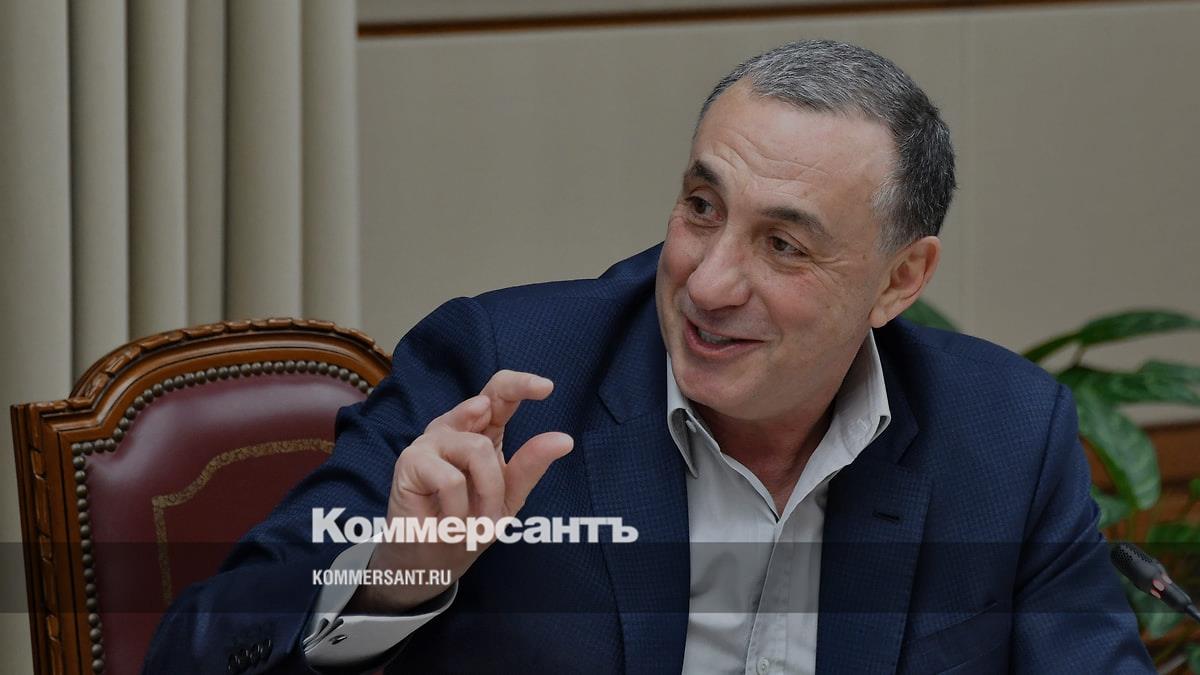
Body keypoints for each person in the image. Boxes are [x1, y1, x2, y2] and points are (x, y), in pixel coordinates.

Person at [144, 39, 1152, 674]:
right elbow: (196, 654)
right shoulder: (505, 375)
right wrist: (390, 580)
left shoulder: (1005, 434)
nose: (709, 283)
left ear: (900, 280)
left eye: (783, 245)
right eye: (702, 207)